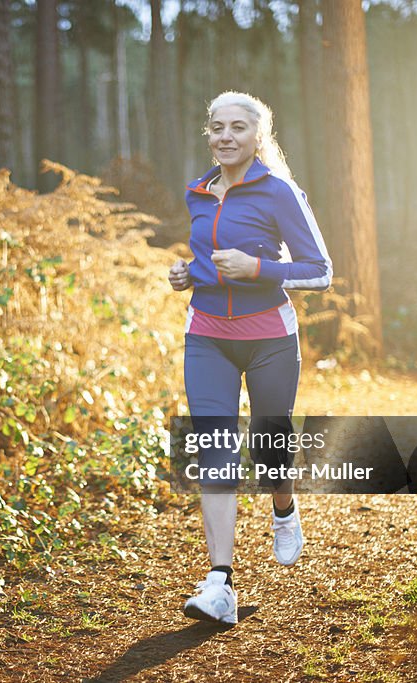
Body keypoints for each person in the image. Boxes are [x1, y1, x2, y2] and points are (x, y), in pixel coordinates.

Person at [168, 91, 332, 625]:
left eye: (238, 127)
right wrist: (186, 273)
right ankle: (220, 582)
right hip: (207, 336)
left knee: (268, 448)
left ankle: (283, 507)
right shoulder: (198, 192)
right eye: (217, 127)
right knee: (213, 447)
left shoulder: (280, 191)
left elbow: (320, 271)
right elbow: (206, 255)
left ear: (257, 136)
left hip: (269, 338)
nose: (225, 136)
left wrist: (256, 269)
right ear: (208, 134)